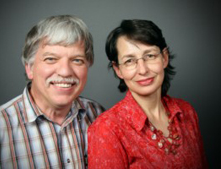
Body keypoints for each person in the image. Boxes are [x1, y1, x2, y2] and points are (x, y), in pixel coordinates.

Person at [0, 15, 105, 169]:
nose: (65, 71)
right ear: (29, 68)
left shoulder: (98, 116)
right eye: (51, 59)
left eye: (77, 60)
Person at [88, 19, 208, 168]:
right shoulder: (106, 129)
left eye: (150, 56)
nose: (143, 70)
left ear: (164, 58)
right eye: (129, 61)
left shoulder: (187, 112)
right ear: (118, 69)